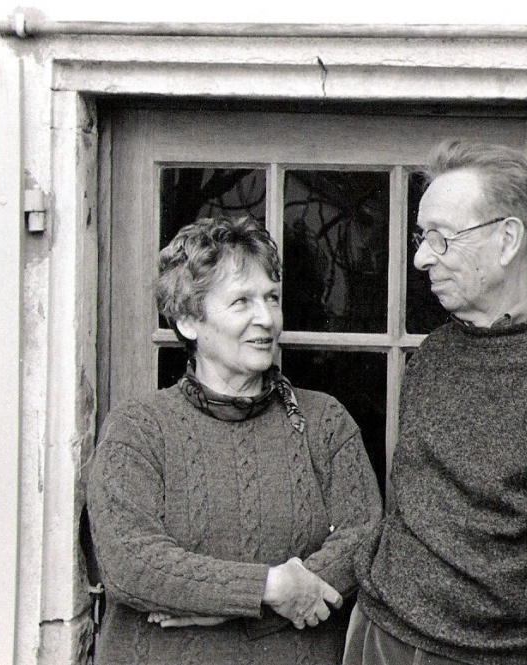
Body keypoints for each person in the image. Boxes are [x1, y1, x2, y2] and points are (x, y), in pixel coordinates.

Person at [344, 140, 527, 665]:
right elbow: (408, 502)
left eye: (439, 238)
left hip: (509, 656)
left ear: (507, 239)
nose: (420, 258)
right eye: (422, 238)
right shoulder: (433, 354)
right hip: (383, 633)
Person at [86, 215, 382, 665]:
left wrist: (237, 607)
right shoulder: (139, 427)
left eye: (272, 298)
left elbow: (364, 538)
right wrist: (269, 588)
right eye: (241, 301)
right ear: (188, 320)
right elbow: (130, 563)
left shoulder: (324, 421)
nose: (266, 318)